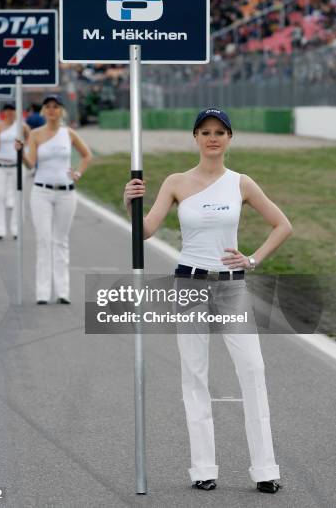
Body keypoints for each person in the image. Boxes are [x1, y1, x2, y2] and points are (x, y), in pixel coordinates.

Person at [123, 108, 292, 494]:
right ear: (195, 138)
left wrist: (252, 259)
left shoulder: (241, 183)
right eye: (205, 132)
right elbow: (145, 231)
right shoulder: (176, 182)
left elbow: (283, 225)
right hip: (190, 285)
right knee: (195, 376)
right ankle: (203, 468)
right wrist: (130, 201)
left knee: (252, 372)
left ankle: (265, 469)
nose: (212, 138)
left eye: (220, 132)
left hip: (232, 286)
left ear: (230, 138)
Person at [15, 94, 92, 305]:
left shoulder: (69, 133)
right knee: (43, 240)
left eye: (55, 106)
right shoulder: (36, 135)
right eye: (48, 106)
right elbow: (31, 164)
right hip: (41, 192)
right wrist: (20, 153)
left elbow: (87, 155)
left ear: (61, 111)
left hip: (66, 193)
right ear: (43, 111)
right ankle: (42, 292)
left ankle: (62, 291)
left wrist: (78, 173)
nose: (51, 110)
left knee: (61, 241)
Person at [0, 102, 30, 240]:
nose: (9, 112)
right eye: (7, 110)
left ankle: (16, 229)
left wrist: (25, 150)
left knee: (18, 196)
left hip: (17, 165)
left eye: (12, 110)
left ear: (16, 111)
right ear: (3, 112)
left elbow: (30, 141)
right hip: (1, 165)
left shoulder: (22, 126)